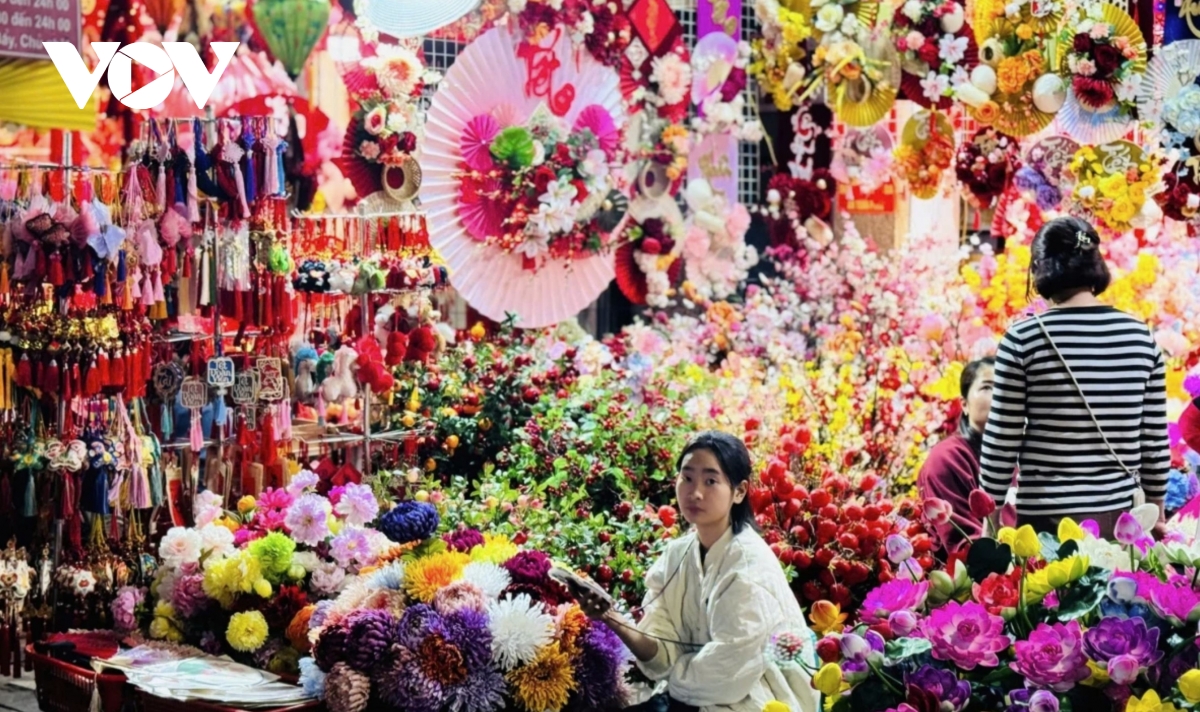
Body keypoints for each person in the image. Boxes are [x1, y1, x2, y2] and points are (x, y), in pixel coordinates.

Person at [571, 431, 818, 712]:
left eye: (710, 481)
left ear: (739, 491)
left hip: (759, 699)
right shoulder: (678, 554)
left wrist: (674, 676)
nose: (695, 492)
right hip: (695, 695)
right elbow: (662, 656)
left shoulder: (748, 567)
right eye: (687, 478)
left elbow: (729, 673)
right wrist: (612, 618)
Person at [979, 216, 1170, 538]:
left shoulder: (1023, 338)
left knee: (1053, 590)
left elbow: (1002, 438)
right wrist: (1158, 509)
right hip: (1122, 519)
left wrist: (991, 519)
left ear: (1039, 267)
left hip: (1046, 521)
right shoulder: (1140, 337)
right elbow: (1153, 439)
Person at [918, 357, 995, 554]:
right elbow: (969, 548)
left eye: (1009, 387)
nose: (1001, 395)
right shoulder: (947, 459)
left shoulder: (1026, 456)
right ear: (965, 405)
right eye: (988, 387)